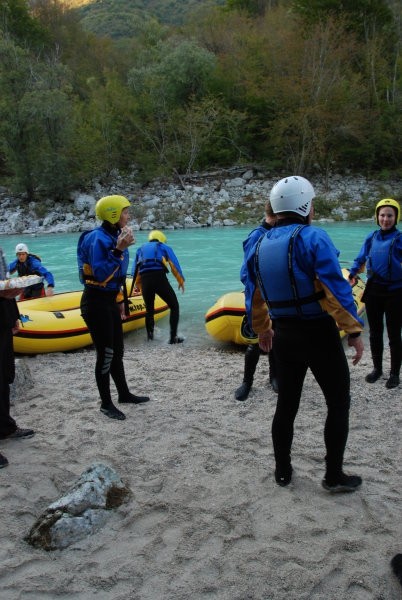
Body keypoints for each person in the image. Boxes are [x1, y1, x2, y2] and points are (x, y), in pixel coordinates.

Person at [243, 175, 364, 492]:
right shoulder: (313, 237)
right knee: (338, 404)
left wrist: (262, 329)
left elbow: (253, 295)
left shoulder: (257, 244)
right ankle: (333, 476)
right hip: (319, 335)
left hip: (284, 336)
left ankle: (282, 472)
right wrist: (353, 330)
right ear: (306, 205)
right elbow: (336, 290)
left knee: (287, 405)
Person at [77, 195, 150, 421]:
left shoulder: (114, 235)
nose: (128, 216)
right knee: (106, 354)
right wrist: (119, 249)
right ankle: (106, 404)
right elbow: (100, 274)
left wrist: (119, 300)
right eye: (125, 212)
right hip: (95, 302)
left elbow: (116, 277)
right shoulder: (97, 239)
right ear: (113, 214)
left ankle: (124, 394)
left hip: (109, 300)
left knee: (117, 350)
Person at [348, 198, 401, 389]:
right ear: (377, 217)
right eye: (382, 215)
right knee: (375, 333)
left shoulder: (399, 239)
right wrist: (352, 272)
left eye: (390, 215)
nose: (385, 219)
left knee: (394, 334)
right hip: (374, 290)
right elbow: (361, 257)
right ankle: (377, 369)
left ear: (396, 217)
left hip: (395, 292)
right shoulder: (371, 237)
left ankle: (394, 373)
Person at [235, 201, 278, 401]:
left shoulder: (279, 234)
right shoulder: (257, 235)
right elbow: (246, 273)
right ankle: (247, 382)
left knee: (275, 338)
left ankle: (274, 377)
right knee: (254, 341)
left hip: (277, 297)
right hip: (257, 297)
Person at [0, 247, 35, 469]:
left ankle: (5, 427)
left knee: (4, 376)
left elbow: (5, 280)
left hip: (2, 316)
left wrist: (13, 315)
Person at [132, 230, 185, 344]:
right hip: (159, 278)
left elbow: (135, 270)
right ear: (161, 239)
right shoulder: (164, 247)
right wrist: (181, 281)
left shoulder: (140, 249)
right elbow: (174, 264)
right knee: (174, 306)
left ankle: (150, 338)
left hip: (145, 281)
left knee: (149, 310)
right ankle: (173, 338)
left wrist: (138, 285)